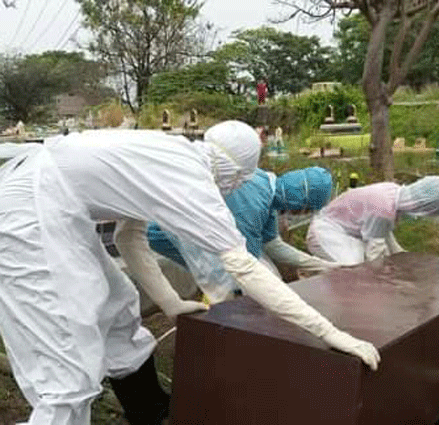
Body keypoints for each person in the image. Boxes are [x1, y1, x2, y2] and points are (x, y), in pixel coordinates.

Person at [0, 121, 379, 425]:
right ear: (237, 170)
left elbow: (128, 236)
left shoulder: (173, 154)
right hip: (27, 213)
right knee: (66, 375)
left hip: (50, 199)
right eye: (243, 178)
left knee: (118, 306)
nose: (240, 186)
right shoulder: (191, 176)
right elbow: (245, 266)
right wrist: (332, 333)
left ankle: (150, 413)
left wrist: (171, 303)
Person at [147, 166, 338, 302]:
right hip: (175, 229)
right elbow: (246, 265)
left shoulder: (268, 191)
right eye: (305, 210)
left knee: (250, 283)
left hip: (202, 232)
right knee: (229, 288)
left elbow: (273, 246)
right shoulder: (253, 204)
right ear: (299, 199)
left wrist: (322, 265)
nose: (299, 215)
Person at [307, 176, 439, 265]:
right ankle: (314, 276)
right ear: (421, 206)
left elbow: (382, 232)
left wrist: (401, 255)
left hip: (347, 231)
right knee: (353, 269)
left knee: (375, 260)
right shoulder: (384, 209)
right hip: (325, 232)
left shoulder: (393, 190)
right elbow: (375, 253)